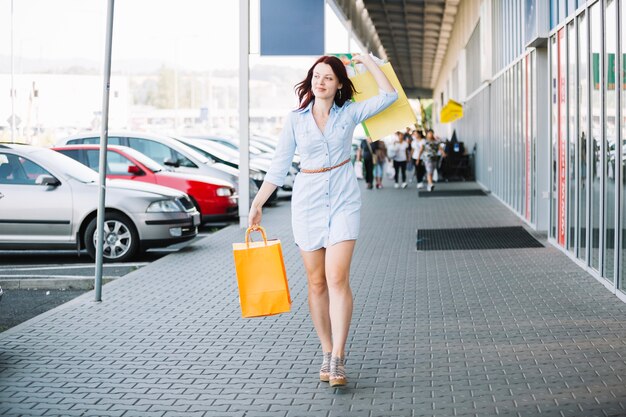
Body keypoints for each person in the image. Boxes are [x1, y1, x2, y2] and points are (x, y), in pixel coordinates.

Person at [248, 54, 398, 387]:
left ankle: (340, 357)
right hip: (307, 205)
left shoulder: (350, 114)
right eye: (317, 76)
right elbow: (278, 165)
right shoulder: (296, 119)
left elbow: (390, 97)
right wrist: (258, 202)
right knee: (316, 282)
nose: (321, 81)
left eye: (329, 77)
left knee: (337, 277)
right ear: (310, 81)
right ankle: (326, 350)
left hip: (344, 202)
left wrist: (369, 61)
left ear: (340, 84)